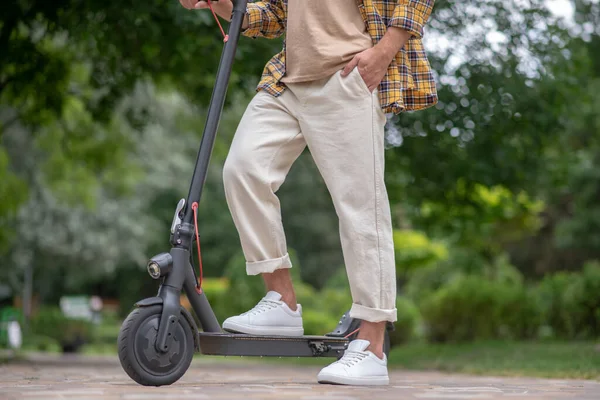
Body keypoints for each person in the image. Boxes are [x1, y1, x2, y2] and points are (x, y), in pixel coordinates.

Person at [179, 0, 437, 386]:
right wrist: (220, 3)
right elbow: (275, 15)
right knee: (243, 169)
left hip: (349, 75)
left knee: (361, 209)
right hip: (288, 79)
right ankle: (281, 301)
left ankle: (372, 348)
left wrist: (383, 53)